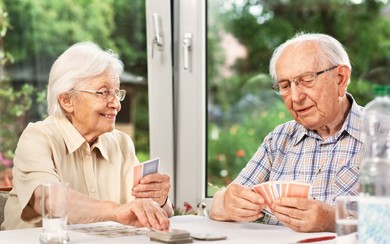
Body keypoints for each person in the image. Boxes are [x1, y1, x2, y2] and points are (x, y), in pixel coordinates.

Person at [1, 42, 173, 230]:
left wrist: (159, 200)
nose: (116, 104)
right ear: (67, 100)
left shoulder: (122, 143)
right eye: (103, 92)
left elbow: (140, 210)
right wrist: (115, 211)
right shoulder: (37, 137)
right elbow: (48, 199)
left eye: (117, 93)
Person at [209, 32, 363, 233]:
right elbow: (222, 204)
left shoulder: (381, 135)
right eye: (285, 86)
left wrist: (334, 220)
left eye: (306, 80)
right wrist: (227, 203)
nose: (296, 97)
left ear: (340, 79)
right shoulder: (279, 139)